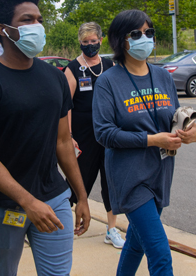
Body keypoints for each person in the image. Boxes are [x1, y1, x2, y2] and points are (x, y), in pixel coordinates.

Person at [0, 0, 91, 276]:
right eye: (27, 20)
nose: (37, 26)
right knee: (4, 272)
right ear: (4, 29)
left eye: (39, 20)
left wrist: (80, 196)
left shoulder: (55, 79)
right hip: (3, 205)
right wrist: (27, 202)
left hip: (54, 199)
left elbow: (62, 142)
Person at [92, 9, 196, 275]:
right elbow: (104, 133)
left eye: (148, 32)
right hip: (130, 178)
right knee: (160, 253)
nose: (145, 38)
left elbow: (176, 117)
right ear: (121, 40)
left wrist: (191, 133)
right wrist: (153, 139)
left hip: (160, 174)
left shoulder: (162, 76)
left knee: (136, 244)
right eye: (136, 33)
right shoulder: (108, 82)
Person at [62, 22, 122, 248]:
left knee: (110, 183)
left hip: (108, 134)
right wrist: (68, 135)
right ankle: (66, 226)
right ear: (80, 42)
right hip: (83, 136)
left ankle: (112, 229)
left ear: (100, 40)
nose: (90, 45)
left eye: (93, 41)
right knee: (78, 182)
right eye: (85, 42)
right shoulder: (72, 68)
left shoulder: (110, 65)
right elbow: (65, 105)